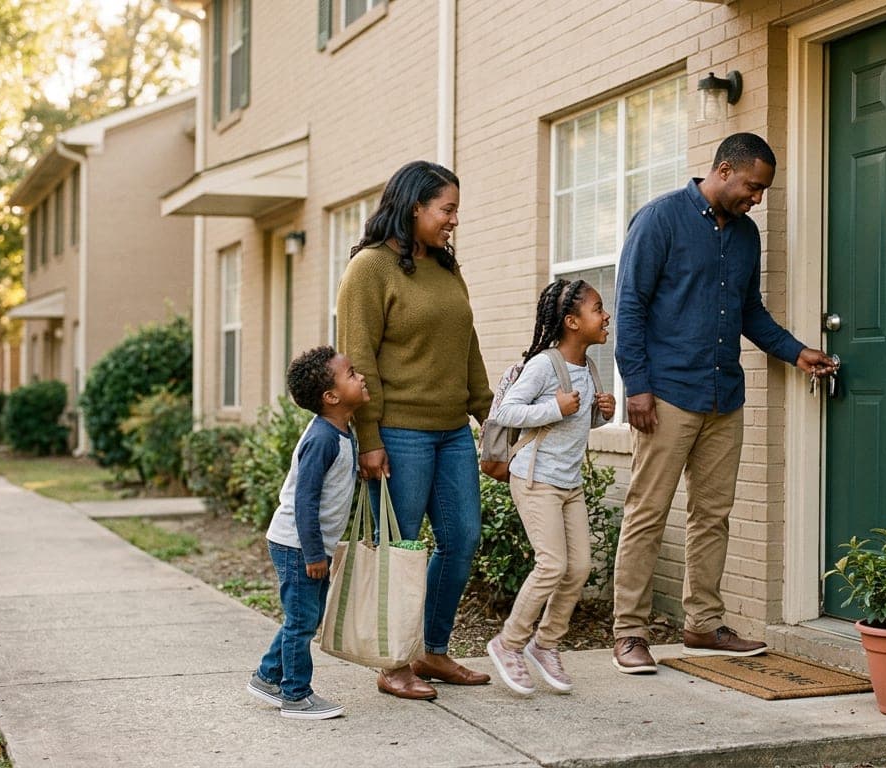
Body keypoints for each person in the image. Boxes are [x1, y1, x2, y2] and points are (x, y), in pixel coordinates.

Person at [610, 133, 838, 674]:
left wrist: (795, 351)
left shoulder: (745, 236)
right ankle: (629, 633)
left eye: (762, 191)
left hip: (723, 396)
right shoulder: (660, 219)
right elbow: (630, 307)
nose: (756, 198)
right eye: (752, 187)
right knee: (648, 513)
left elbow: (749, 312)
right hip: (665, 396)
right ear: (724, 169)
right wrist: (636, 386)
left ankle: (703, 623)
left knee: (712, 516)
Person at [337, 160, 493, 700]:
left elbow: (465, 345)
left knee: (462, 538)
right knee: (400, 552)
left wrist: (487, 412)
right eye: (446, 209)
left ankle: (431, 651)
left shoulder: (448, 269)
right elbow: (360, 360)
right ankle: (393, 661)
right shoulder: (370, 270)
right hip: (399, 432)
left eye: (455, 210)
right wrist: (370, 439)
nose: (453, 220)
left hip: (451, 433)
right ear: (414, 207)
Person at [484, 279, 615, 695]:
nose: (606, 315)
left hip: (568, 482)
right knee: (552, 565)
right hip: (535, 477)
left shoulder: (590, 367)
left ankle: (546, 644)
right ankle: (509, 643)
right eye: (598, 308)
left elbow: (578, 423)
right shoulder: (544, 364)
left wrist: (601, 415)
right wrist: (553, 407)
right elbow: (506, 410)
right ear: (573, 322)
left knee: (578, 568)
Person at [246, 345, 370, 718]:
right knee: (302, 621)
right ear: (331, 397)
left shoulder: (342, 430)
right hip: (297, 544)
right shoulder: (321, 439)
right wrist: (315, 554)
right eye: (351, 374)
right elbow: (305, 501)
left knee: (305, 616)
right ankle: (296, 695)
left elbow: (333, 482)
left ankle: (268, 676)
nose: (360, 376)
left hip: (307, 544)